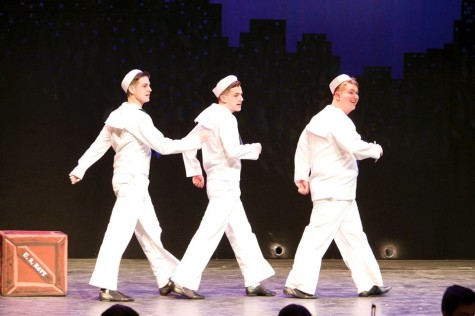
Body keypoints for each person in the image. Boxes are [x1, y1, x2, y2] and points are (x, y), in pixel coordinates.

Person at [69, 69, 207, 302]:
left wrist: (80, 168)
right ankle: (106, 285)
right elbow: (162, 145)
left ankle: (166, 279)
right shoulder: (138, 117)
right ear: (131, 89)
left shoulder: (117, 115)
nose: (149, 89)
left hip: (131, 181)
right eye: (144, 85)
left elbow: (98, 146)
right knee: (119, 232)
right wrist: (194, 141)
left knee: (151, 231)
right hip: (131, 181)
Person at [283, 74, 391, 299]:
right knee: (317, 236)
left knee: (354, 237)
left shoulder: (320, 118)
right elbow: (353, 146)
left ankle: (370, 282)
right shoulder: (337, 119)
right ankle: (298, 283)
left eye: (357, 93)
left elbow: (303, 146)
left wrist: (302, 175)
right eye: (350, 92)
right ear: (337, 94)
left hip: (339, 190)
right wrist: (375, 149)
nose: (355, 97)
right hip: (334, 189)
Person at [169, 75, 275, 299]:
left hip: (221, 183)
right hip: (224, 183)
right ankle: (183, 279)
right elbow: (232, 151)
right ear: (223, 97)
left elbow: (188, 145)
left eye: (242, 94)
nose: (241, 99)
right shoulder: (225, 118)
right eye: (236, 95)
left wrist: (195, 170)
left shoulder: (210, 116)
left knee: (242, 233)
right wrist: (254, 148)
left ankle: (254, 280)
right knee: (209, 233)